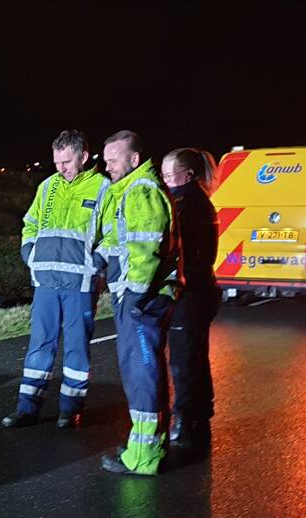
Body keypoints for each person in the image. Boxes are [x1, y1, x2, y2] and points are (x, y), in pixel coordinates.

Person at [2, 130, 110, 429]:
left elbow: (114, 234)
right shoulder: (47, 186)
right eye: (57, 162)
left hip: (80, 285)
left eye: (66, 161)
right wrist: (29, 254)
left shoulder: (104, 188)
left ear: (83, 156)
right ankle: (27, 408)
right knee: (39, 345)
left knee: (77, 348)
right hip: (46, 282)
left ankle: (70, 409)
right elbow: (30, 223)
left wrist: (95, 263)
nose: (61, 168)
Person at [94, 131, 180, 475]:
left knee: (141, 374)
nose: (107, 166)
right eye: (105, 160)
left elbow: (146, 248)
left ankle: (143, 457)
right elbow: (120, 239)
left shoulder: (141, 191)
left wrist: (135, 296)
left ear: (134, 159)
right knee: (143, 372)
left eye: (113, 159)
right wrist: (98, 258)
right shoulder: (129, 190)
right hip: (139, 299)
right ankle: (150, 444)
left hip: (141, 302)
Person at [161, 148, 221, 449]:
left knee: (184, 361)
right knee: (196, 356)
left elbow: (175, 249)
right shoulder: (199, 200)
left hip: (190, 292)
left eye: (169, 176)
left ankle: (185, 423)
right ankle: (199, 417)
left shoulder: (185, 204)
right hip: (202, 289)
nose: (165, 182)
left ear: (187, 175)